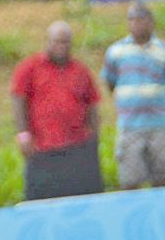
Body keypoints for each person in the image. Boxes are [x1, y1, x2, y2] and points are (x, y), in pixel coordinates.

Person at [11, 21, 104, 201]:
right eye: (57, 42)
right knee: (43, 201)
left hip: (77, 147)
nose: (61, 47)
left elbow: (92, 103)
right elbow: (18, 99)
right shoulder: (30, 67)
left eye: (65, 42)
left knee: (81, 198)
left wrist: (94, 136)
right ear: (48, 41)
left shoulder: (80, 70)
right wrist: (23, 134)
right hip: (43, 148)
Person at [101, 2, 165, 189]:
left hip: (160, 124)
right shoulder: (116, 51)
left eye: (141, 19)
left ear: (151, 22)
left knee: (161, 178)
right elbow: (110, 82)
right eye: (132, 19)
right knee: (130, 179)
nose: (136, 24)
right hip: (130, 125)